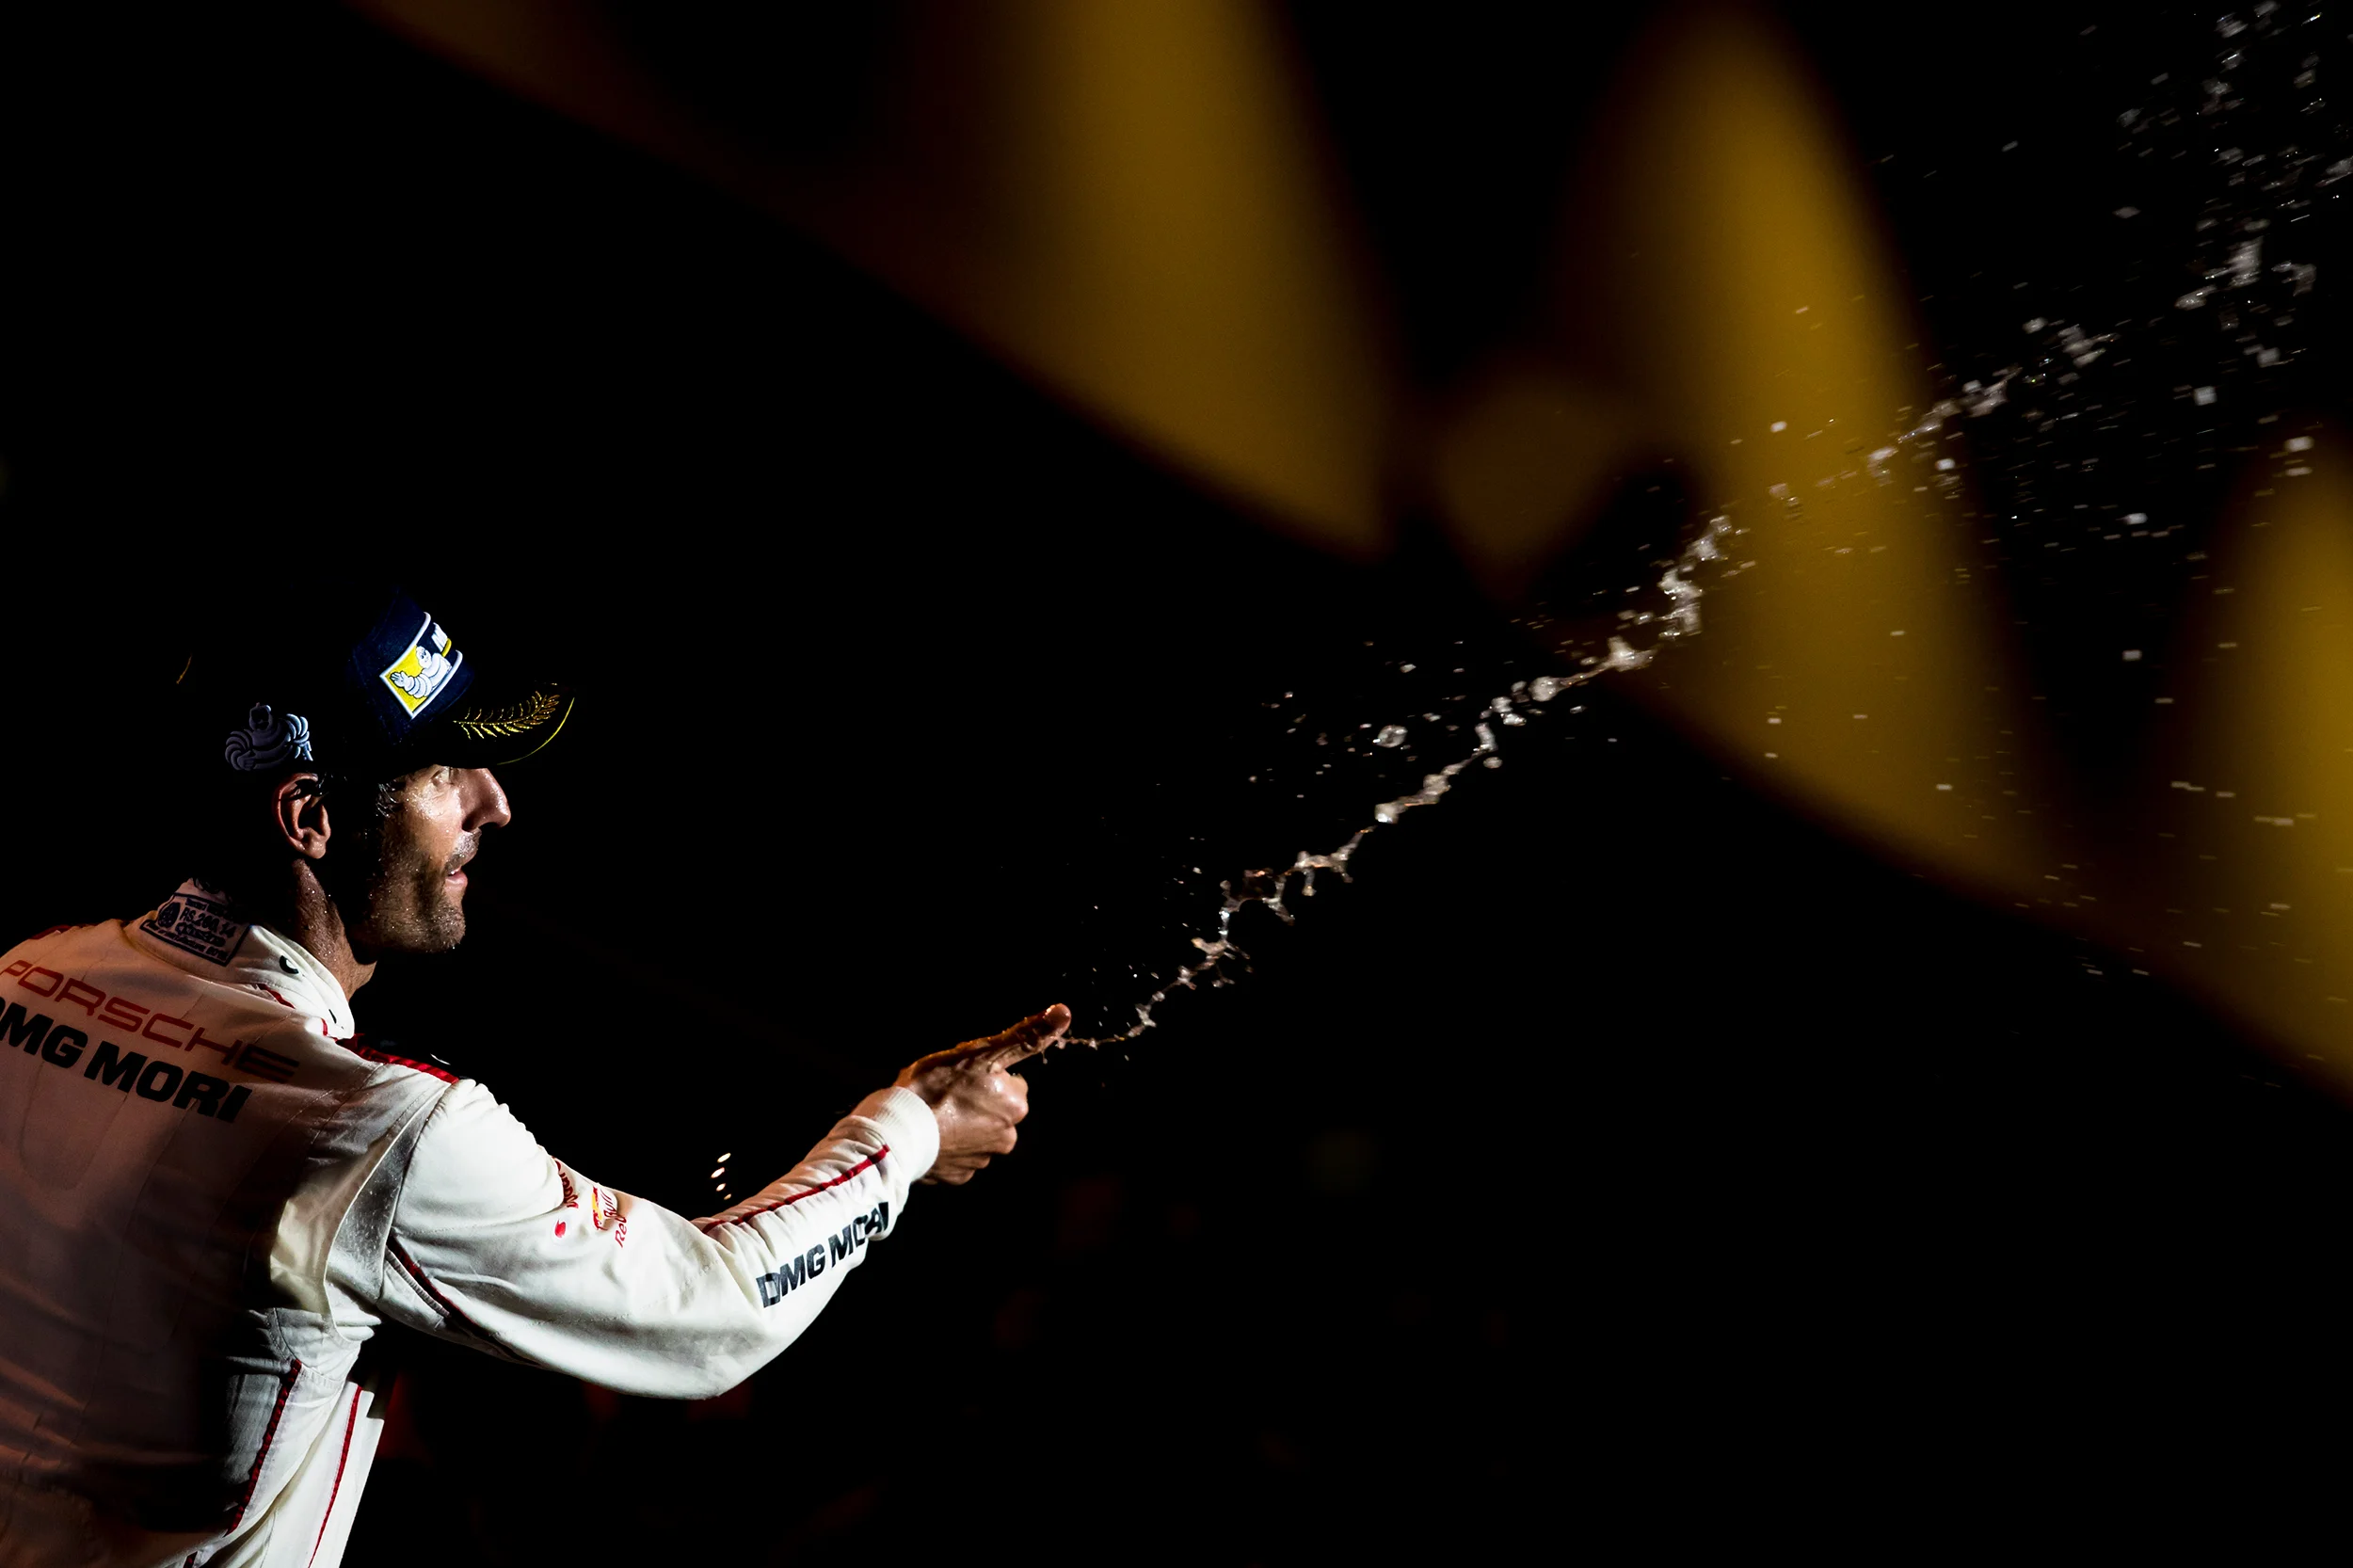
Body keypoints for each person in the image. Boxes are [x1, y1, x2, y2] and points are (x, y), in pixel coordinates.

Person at [0, 586, 1067, 1567]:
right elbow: (710, 1314)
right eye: (439, 772)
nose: (493, 803)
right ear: (309, 817)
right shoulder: (376, 1128)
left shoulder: (25, 975)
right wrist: (910, 1130)